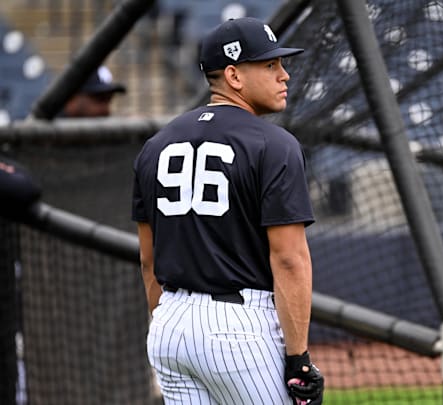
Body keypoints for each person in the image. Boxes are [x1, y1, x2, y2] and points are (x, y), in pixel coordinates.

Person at [131, 17, 324, 404]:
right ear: (234, 75)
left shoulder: (155, 145)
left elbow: (149, 260)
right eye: (270, 65)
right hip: (238, 326)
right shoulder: (275, 144)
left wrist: (169, 323)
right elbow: (288, 259)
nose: (284, 75)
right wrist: (298, 357)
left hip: (170, 325)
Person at [62, 65, 126, 117]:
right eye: (100, 99)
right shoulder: (53, 127)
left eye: (109, 100)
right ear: (71, 98)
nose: (106, 110)